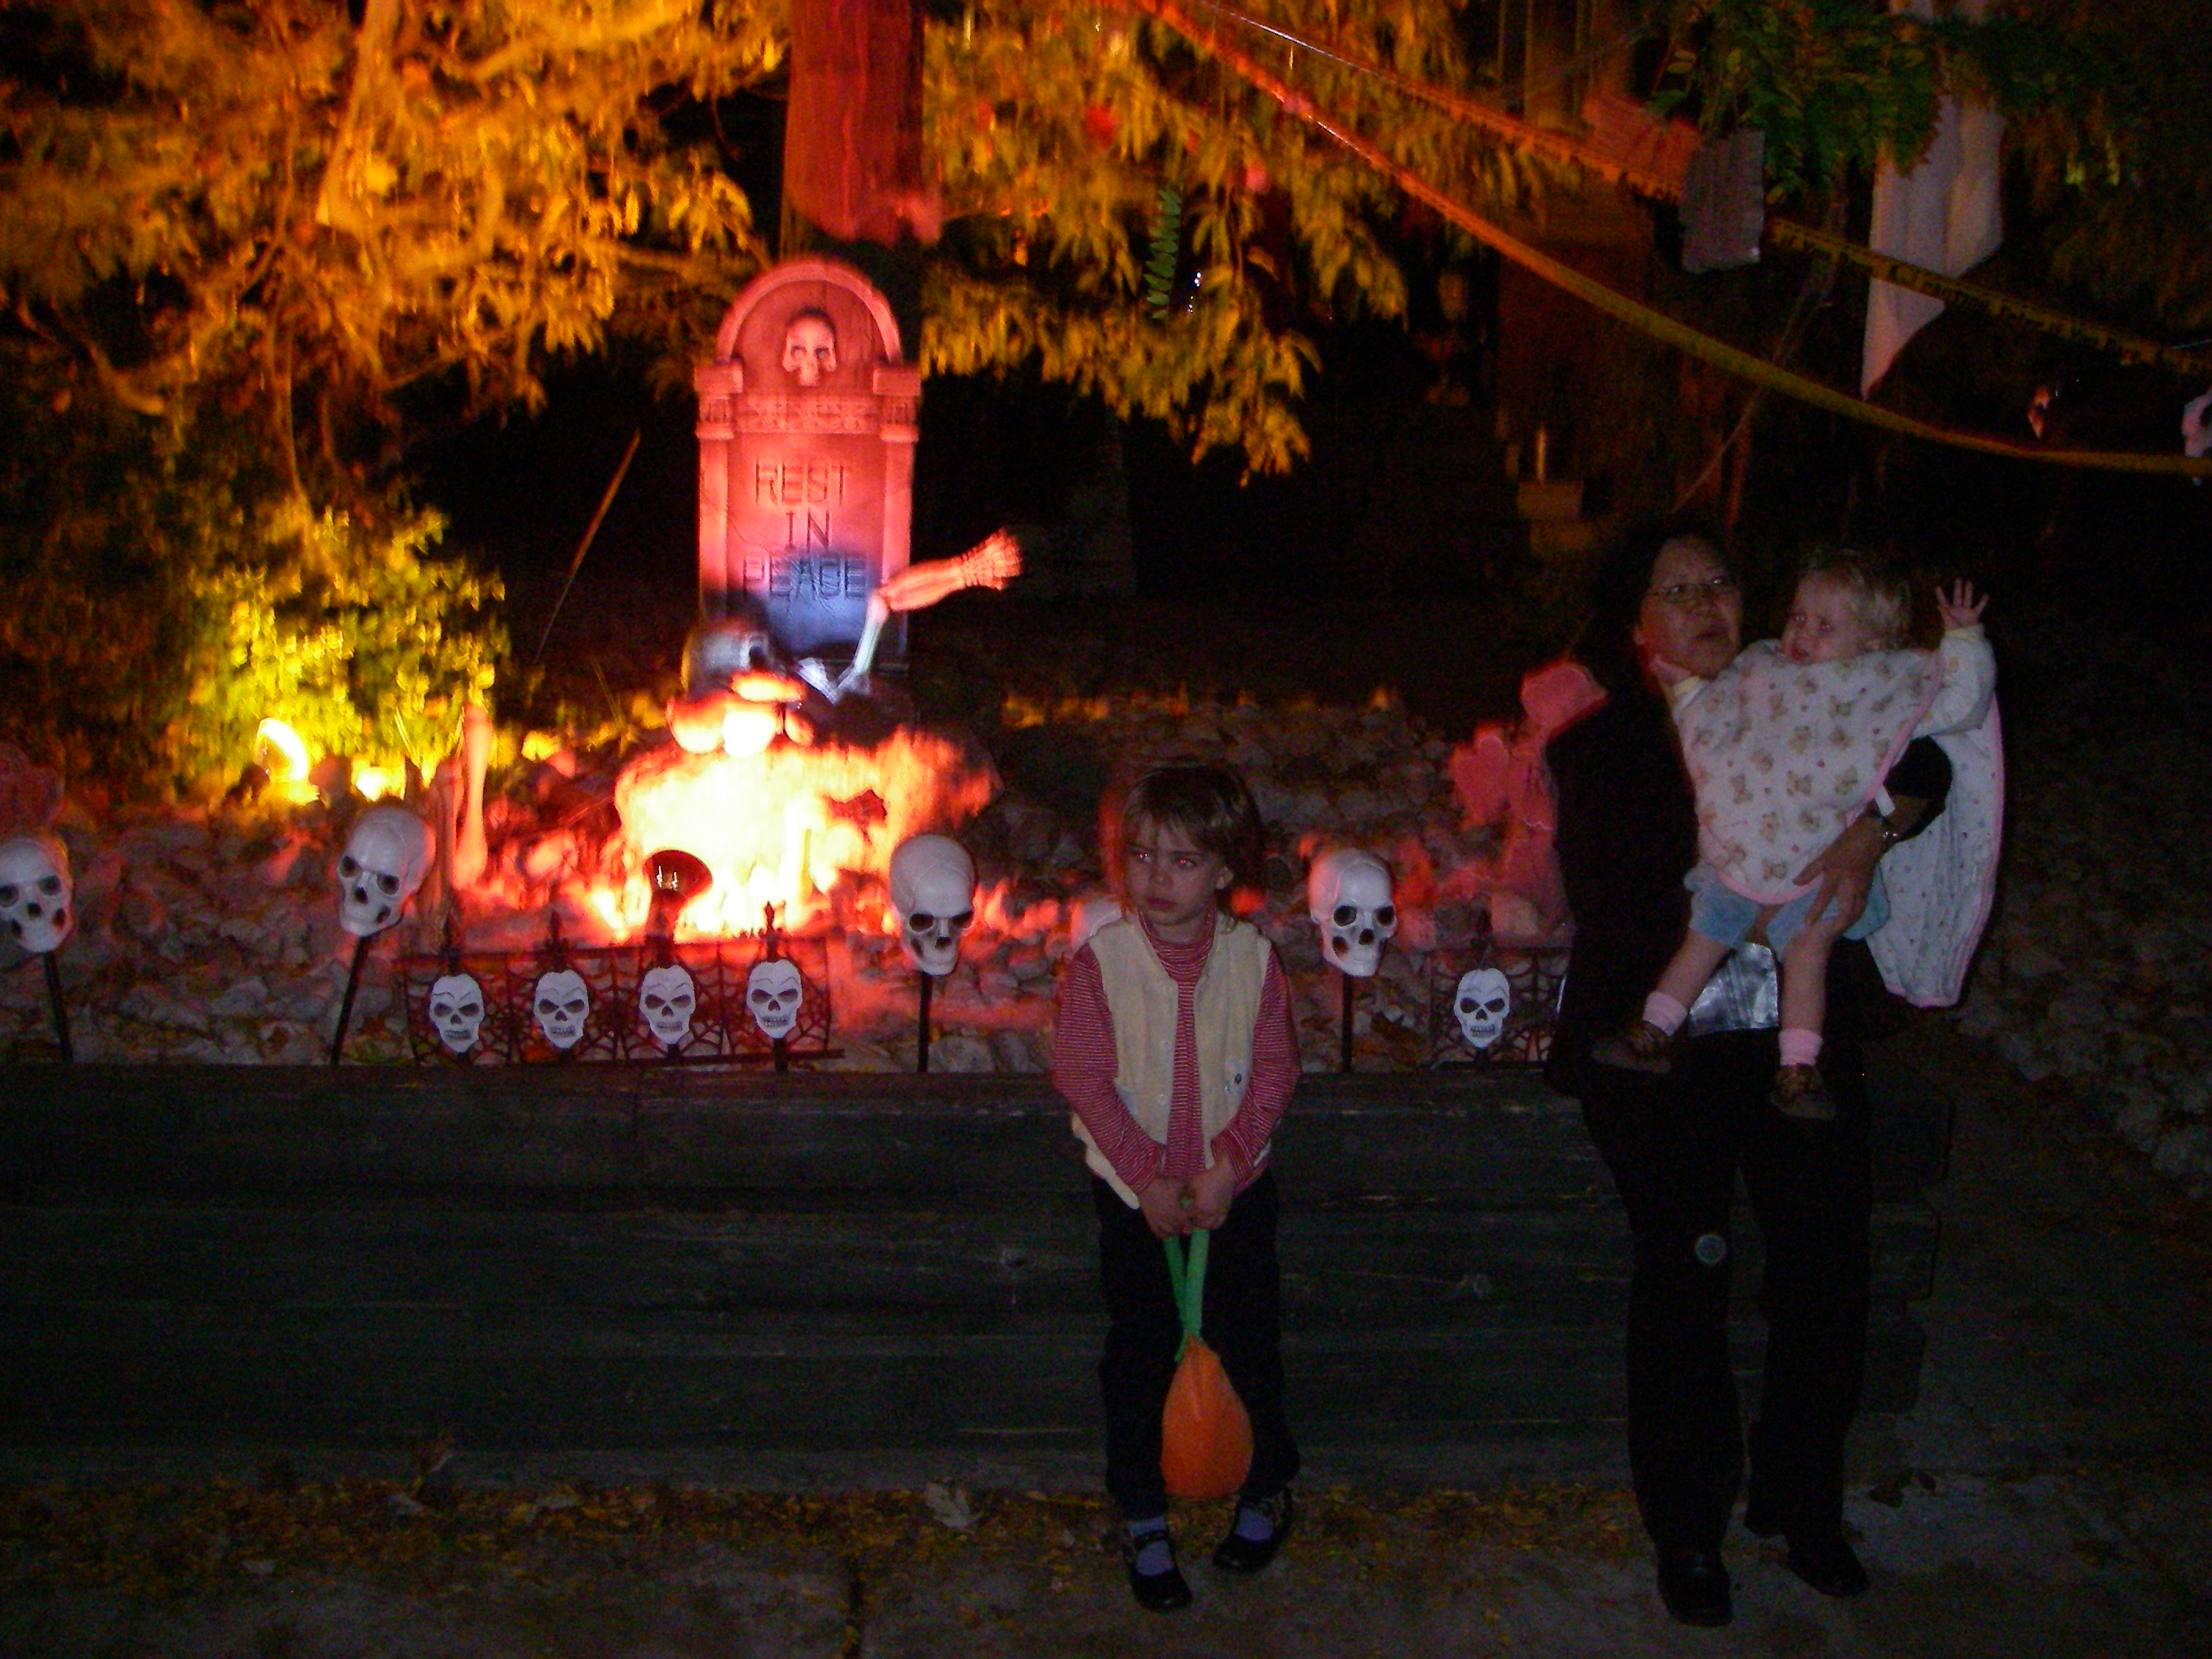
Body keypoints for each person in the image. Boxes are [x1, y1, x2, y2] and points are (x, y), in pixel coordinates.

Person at [1545, 524, 1955, 1627]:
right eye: (1675, 591)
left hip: (1795, 1040)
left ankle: (1800, 1499)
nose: (1705, 605)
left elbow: (1927, 753)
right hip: (1666, 1043)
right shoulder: (1603, 750)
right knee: (1689, 1265)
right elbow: (1626, 908)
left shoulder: (1810, 689)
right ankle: (1688, 1525)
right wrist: (1757, 871)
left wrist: (1871, 833)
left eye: (1719, 581)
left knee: (1827, 1260)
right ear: (1636, 626)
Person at [1592, 553, 1994, 1119]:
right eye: (1798, 618)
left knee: (1808, 949)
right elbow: (1703, 716)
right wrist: (1681, 691)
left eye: (1825, 626)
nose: (1802, 635)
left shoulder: (1871, 689)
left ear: (1873, 645)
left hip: (1811, 872)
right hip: (1735, 867)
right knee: (1703, 936)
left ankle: (1800, 1069)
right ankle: (1652, 1030)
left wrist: (1964, 641)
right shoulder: (1755, 678)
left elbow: (1947, 728)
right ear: (1636, 625)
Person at [1051, 761, 1302, 1613]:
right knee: (1140, 1349)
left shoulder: (1252, 961)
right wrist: (1146, 1176)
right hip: (1138, 1199)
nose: (1158, 878)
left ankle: (1266, 1483)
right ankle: (1142, 1508)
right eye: (1144, 856)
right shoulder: (1103, 963)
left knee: (1246, 1338)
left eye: (1183, 861)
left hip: (1234, 1191)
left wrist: (1226, 1164)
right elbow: (1084, 1077)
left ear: (1225, 868)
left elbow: (1273, 1072)